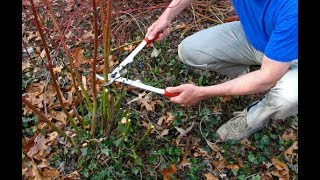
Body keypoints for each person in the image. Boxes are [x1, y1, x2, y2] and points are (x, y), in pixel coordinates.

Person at [145, 0, 298, 142]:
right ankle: (251, 77)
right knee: (190, 51)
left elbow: (267, 77)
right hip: (259, 37)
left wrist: (201, 92)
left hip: (294, 56)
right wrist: (166, 17)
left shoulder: (292, 10)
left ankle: (254, 118)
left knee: (287, 98)